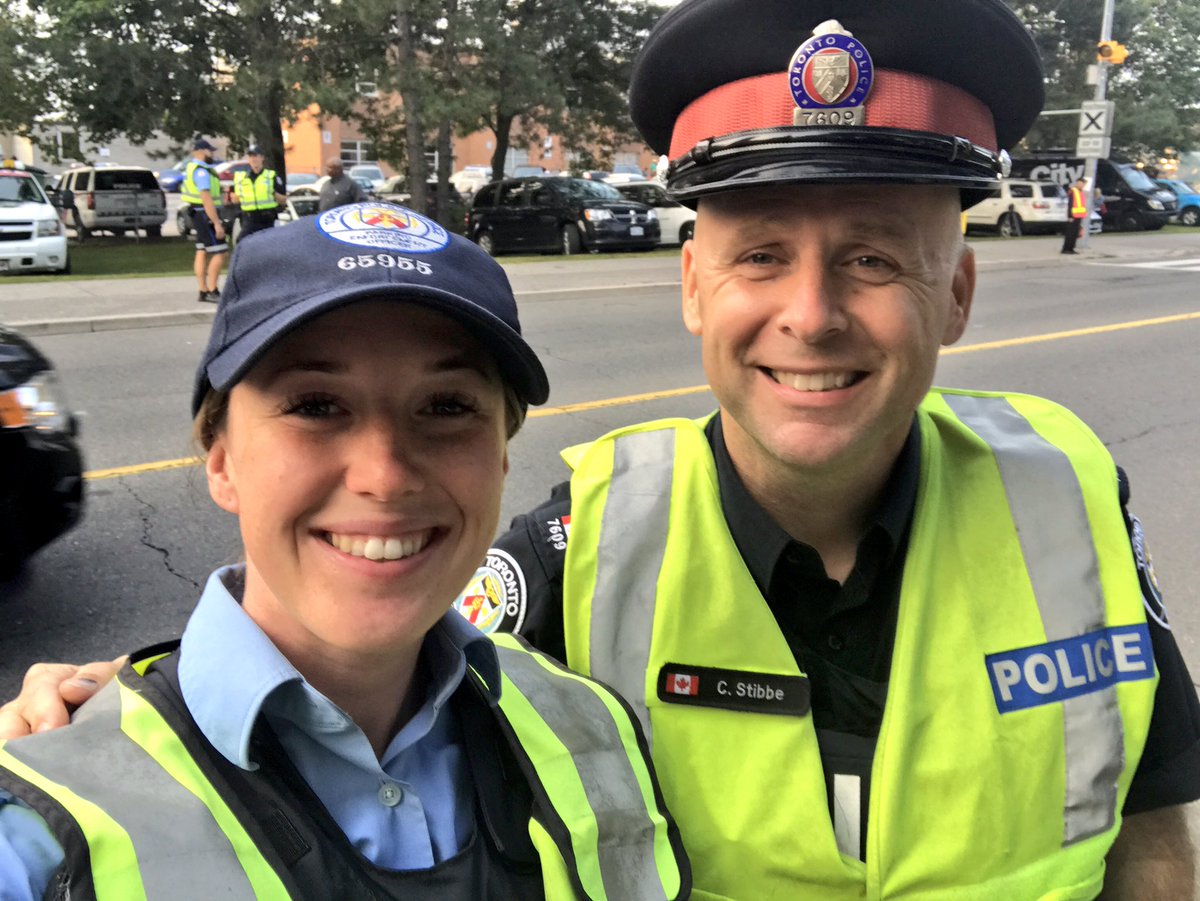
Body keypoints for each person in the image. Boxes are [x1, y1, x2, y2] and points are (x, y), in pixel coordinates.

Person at [5, 1, 1200, 898]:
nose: (814, 313)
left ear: (958, 293)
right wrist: (133, 698)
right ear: (693, 284)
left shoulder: (1072, 499)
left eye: (878, 257)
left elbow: (1152, 839)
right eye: (761, 255)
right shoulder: (581, 550)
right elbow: (361, 632)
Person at [0, 203, 689, 900]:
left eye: (447, 406)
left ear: (502, 458)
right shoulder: (38, 833)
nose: (385, 475)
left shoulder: (590, 724)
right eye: (317, 405)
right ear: (222, 460)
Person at [181, 137, 227, 303]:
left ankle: (202, 290)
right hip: (204, 214)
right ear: (200, 151)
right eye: (209, 150)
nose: (211, 153)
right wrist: (216, 223)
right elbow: (206, 197)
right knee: (220, 252)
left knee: (201, 251)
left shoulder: (192, 168)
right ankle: (212, 290)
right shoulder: (201, 171)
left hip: (195, 213)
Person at [230, 144, 287, 240]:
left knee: (267, 245)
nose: (253, 159)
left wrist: (272, 193)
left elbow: (284, 200)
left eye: (256, 156)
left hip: (267, 218)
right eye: (251, 156)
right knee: (241, 243)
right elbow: (234, 199)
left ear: (262, 158)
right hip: (249, 218)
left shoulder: (271, 176)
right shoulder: (241, 178)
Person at [1063, 175, 1089, 254]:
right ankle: (1066, 249)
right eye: (1080, 183)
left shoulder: (1080, 192)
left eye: (1083, 184)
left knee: (1075, 233)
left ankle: (1071, 248)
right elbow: (1070, 204)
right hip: (1073, 216)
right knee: (1070, 233)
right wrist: (1070, 216)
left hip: (1079, 215)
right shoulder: (1073, 191)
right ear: (1077, 183)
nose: (1082, 185)